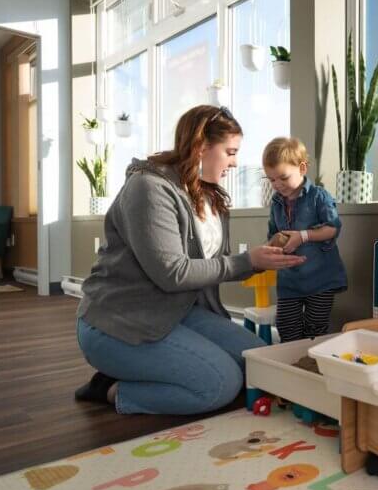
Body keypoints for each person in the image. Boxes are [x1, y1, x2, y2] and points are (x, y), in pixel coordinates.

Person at [74, 105, 306, 414]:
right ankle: (112, 388)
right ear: (201, 147)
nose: (236, 163)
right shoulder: (148, 189)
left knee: (258, 363)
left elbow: (214, 263)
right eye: (231, 152)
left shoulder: (209, 195)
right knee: (219, 385)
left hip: (177, 313)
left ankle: (154, 369)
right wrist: (247, 260)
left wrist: (262, 258)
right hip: (120, 322)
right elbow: (173, 273)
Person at [263, 137, 347, 342]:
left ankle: (310, 365)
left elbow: (333, 228)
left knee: (315, 328)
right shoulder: (276, 203)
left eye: (283, 177)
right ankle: (293, 365)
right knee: (286, 325)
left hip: (320, 279)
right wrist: (274, 242)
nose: (277, 185)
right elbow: (272, 234)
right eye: (271, 180)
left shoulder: (319, 196)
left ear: (302, 168)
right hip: (290, 280)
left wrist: (303, 236)